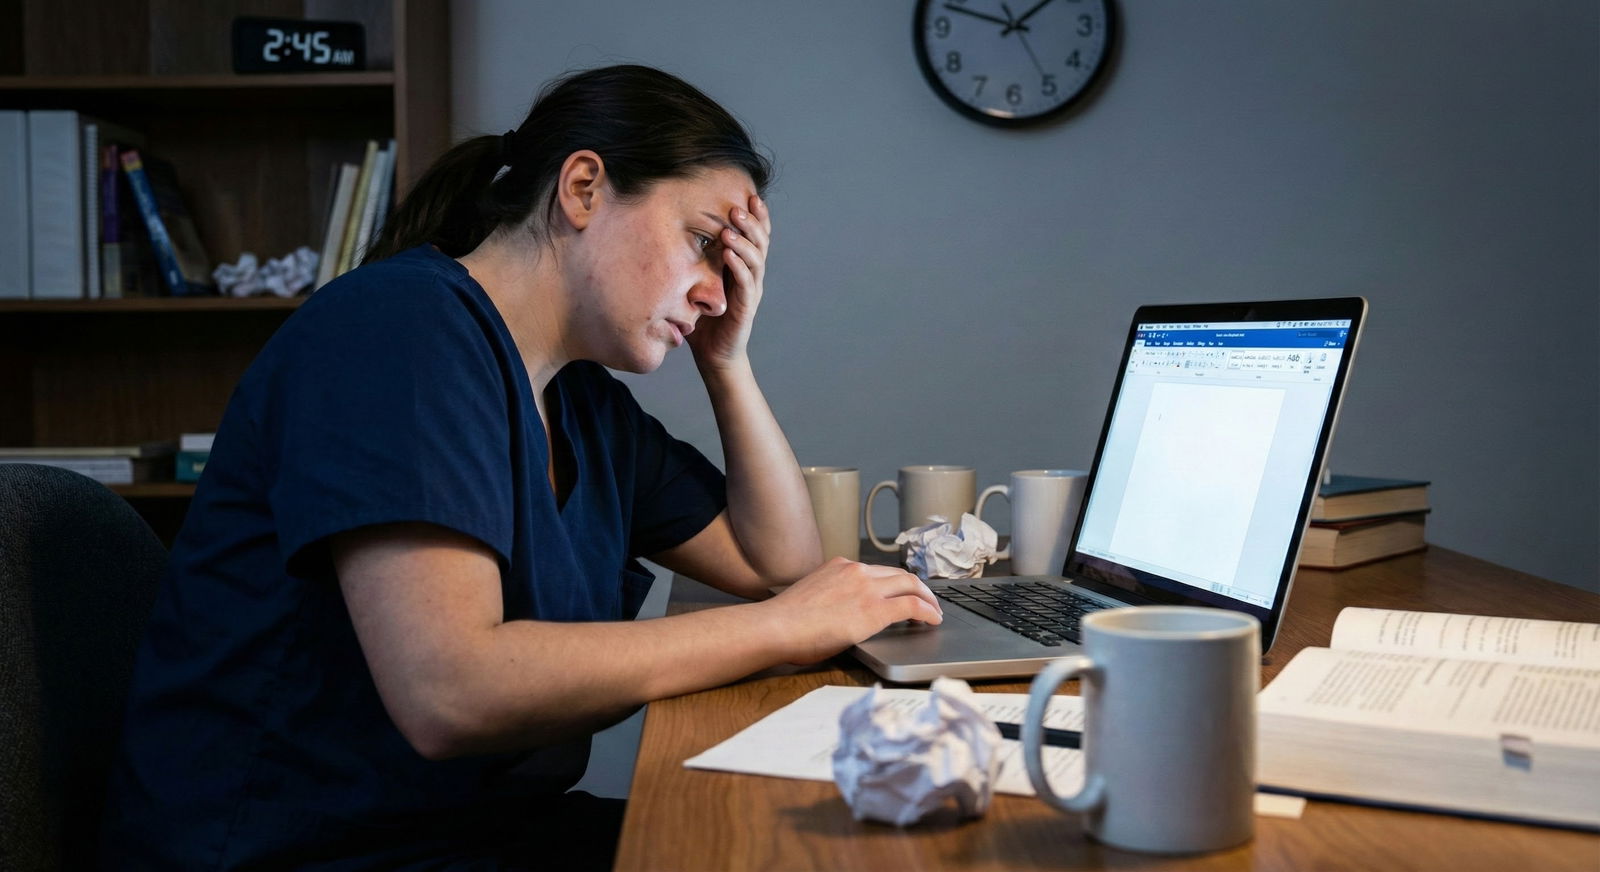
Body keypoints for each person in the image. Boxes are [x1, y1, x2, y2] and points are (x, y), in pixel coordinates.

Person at [99, 65, 942, 870]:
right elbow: (450, 691)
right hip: (300, 853)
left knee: (788, 846)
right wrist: (782, 628)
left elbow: (775, 565)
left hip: (473, 835)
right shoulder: (401, 333)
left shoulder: (582, 402)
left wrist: (729, 360)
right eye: (700, 243)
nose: (715, 291)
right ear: (583, 189)